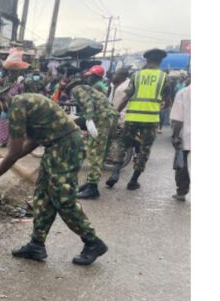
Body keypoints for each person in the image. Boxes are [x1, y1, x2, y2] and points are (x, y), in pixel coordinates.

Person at [0, 87, 108, 265]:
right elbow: (34, 141)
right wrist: (7, 162)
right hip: (56, 146)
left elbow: (14, 151)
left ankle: (93, 242)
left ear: (1, 99)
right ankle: (37, 244)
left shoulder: (16, 107)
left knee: (63, 199)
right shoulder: (23, 101)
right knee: (43, 196)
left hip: (66, 147)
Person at [106, 48, 168, 190]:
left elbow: (127, 96)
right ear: (160, 61)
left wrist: (116, 112)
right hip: (150, 119)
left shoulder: (136, 76)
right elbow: (167, 100)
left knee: (124, 144)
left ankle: (115, 173)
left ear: (147, 60)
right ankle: (133, 181)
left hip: (132, 116)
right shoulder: (164, 77)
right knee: (144, 150)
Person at [63, 80, 119, 200]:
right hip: (110, 118)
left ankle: (92, 188)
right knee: (100, 153)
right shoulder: (89, 88)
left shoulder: (77, 89)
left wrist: (89, 119)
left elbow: (87, 103)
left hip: (102, 119)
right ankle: (90, 183)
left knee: (94, 153)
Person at [170, 78, 190, 201]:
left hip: (187, 136)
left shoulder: (183, 92)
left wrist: (175, 136)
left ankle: (182, 192)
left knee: (182, 165)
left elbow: (178, 119)